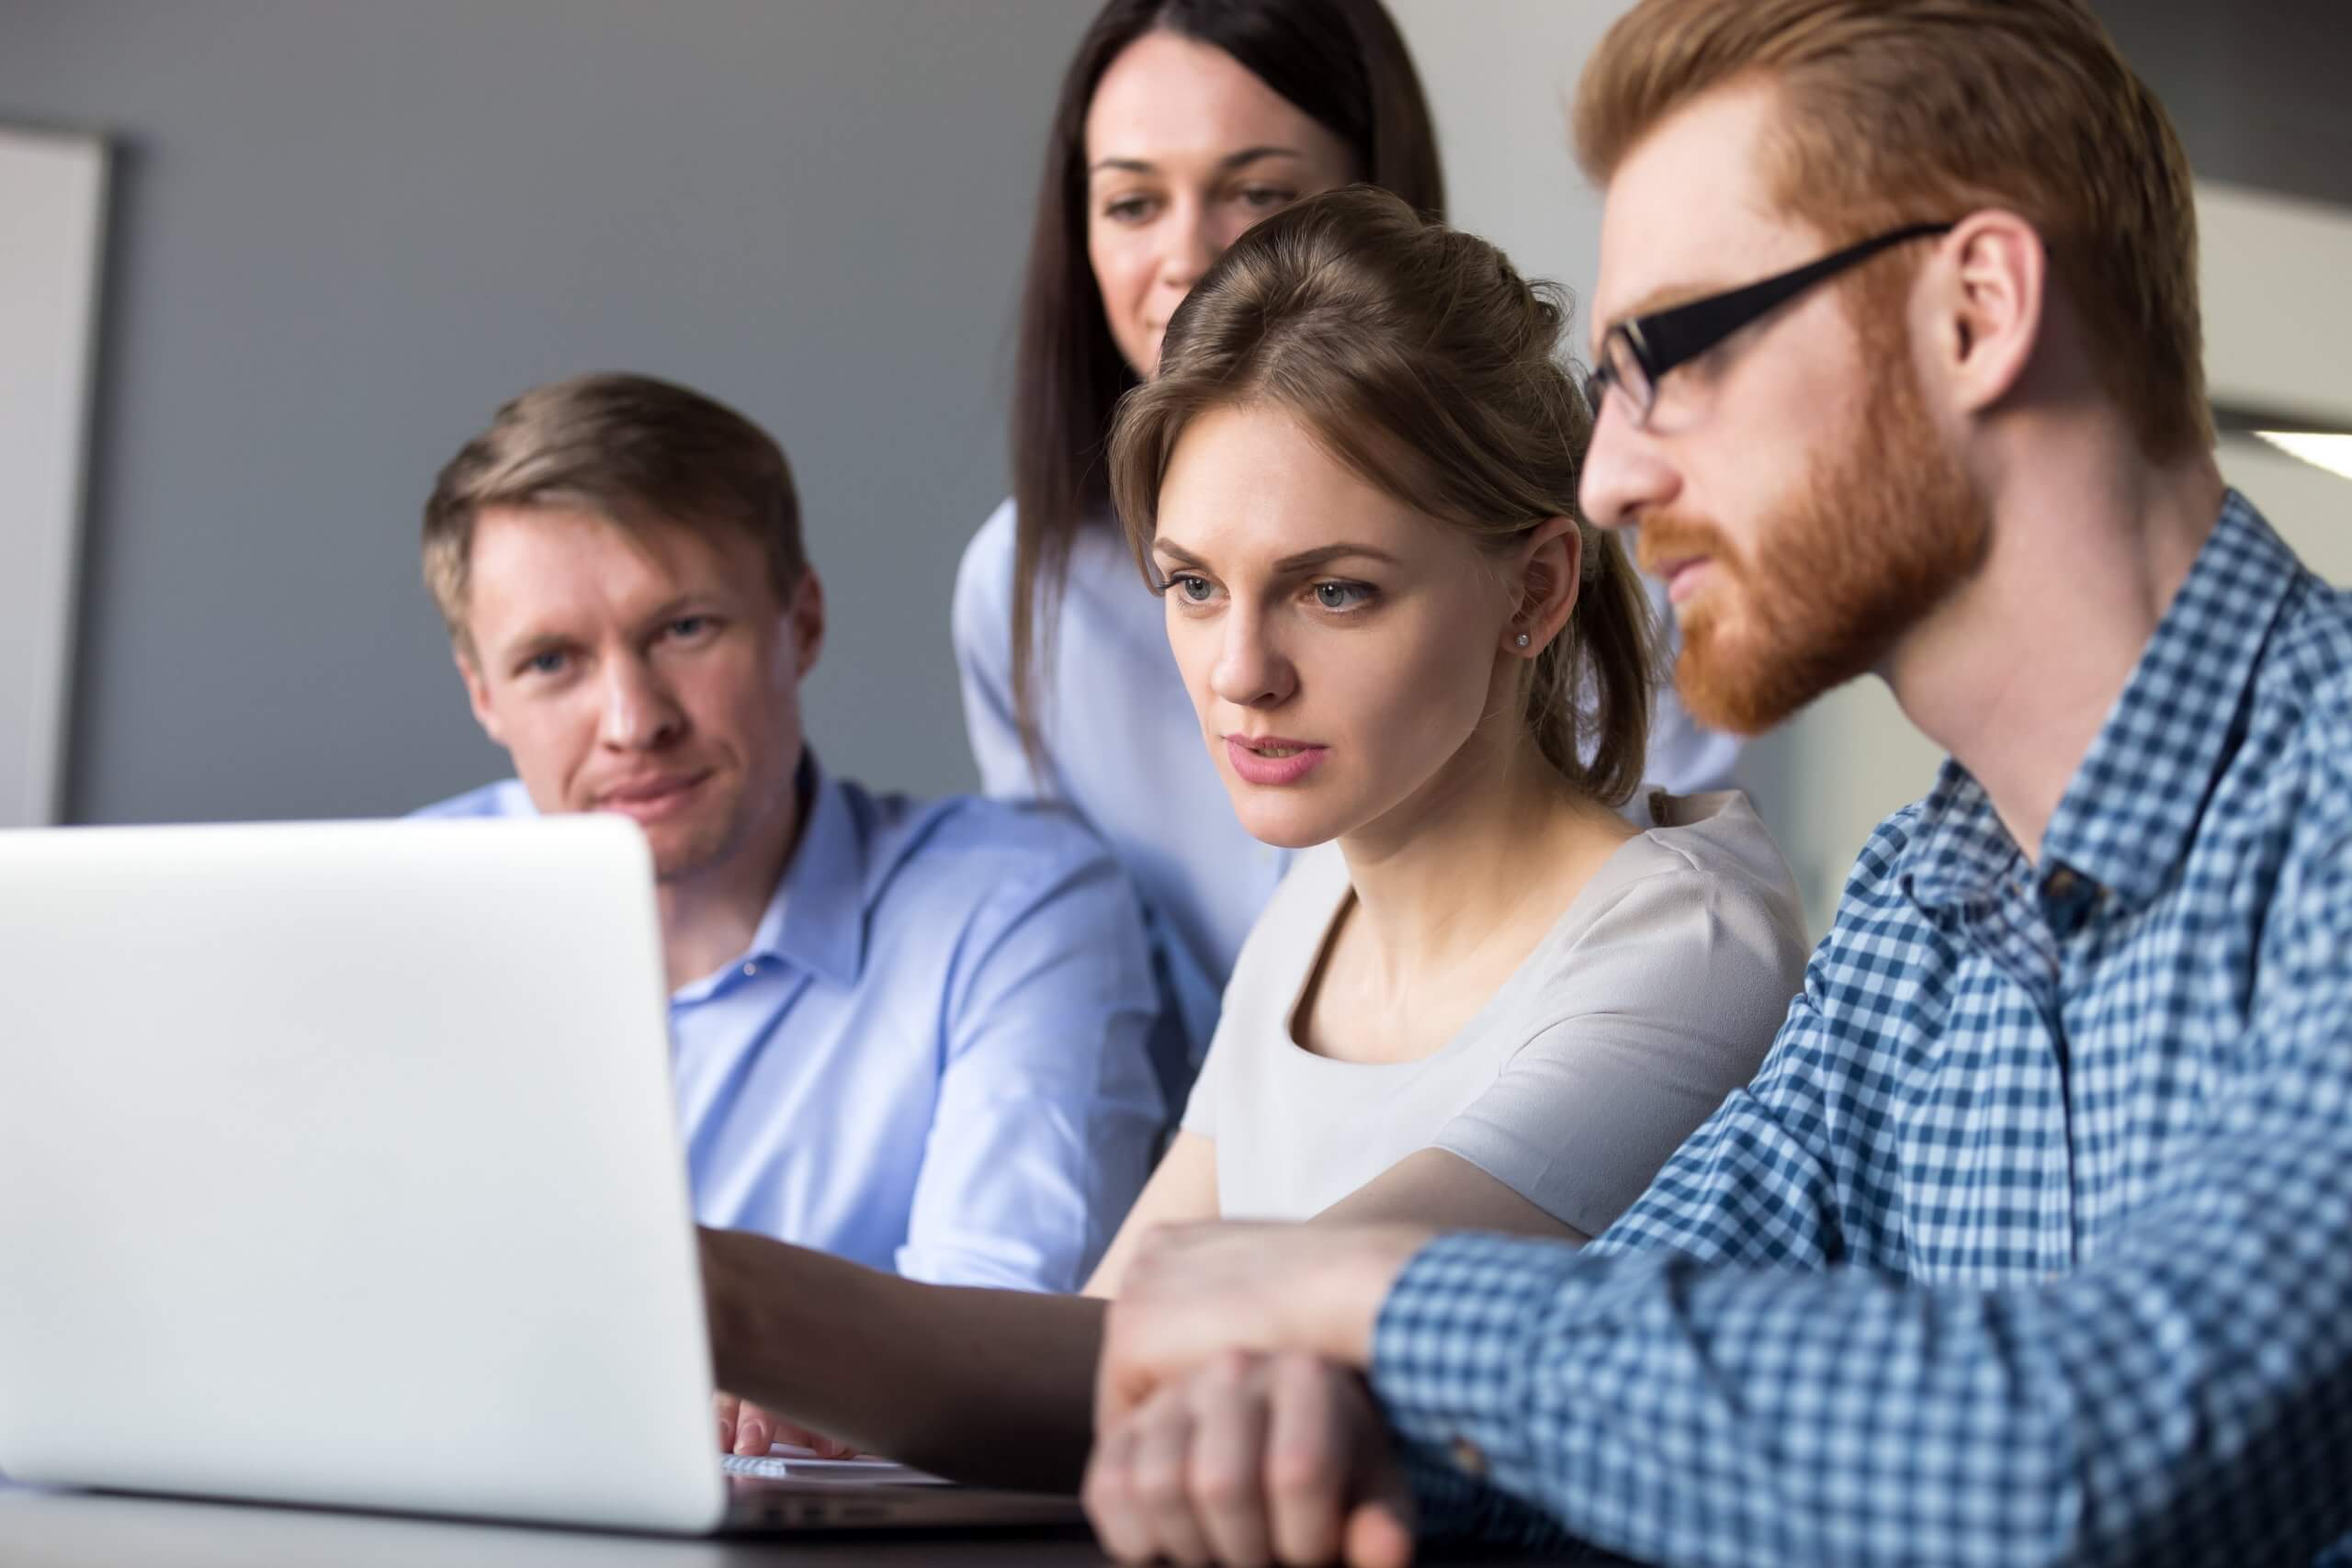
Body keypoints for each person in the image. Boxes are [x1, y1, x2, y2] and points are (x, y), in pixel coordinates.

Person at [1080, 2, 2352, 1564]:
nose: (1610, 476)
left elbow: (2081, 1459)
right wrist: (1327, 1409)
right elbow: (1636, 1342)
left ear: (1977, 309)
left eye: (1672, 350)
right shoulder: (1915, 903)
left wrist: (1361, 1295)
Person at [698, 187, 1808, 1477]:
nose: (1242, 672)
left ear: (1538, 583)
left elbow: (1261, 1318)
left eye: (1334, 589)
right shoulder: (1312, 914)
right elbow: (1106, 1333)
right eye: (1193, 584)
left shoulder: (1688, 947)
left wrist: (738, 1303)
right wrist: (875, 1408)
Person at [951, 0, 1741, 1107]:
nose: (1184, 258)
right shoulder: (1020, 593)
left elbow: (1639, 996)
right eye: (1132, 201)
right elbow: (1086, 998)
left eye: (1259, 194)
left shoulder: (1618, 574)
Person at [413, 371, 1162, 1294]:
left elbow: (1003, 1333)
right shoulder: (399, 912)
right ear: (484, 695)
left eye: (683, 629)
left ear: (799, 625)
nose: (632, 721)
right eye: (551, 662)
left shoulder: (1014, 913)